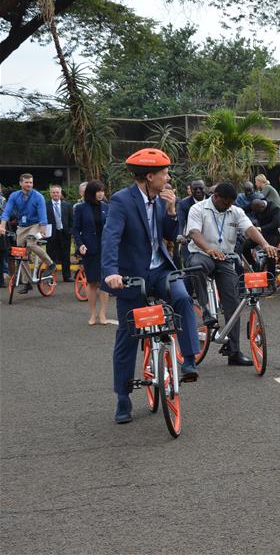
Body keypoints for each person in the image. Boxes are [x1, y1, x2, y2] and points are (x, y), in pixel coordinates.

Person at [101, 148, 201, 424]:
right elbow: (110, 238)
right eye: (164, 173)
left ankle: (189, 360)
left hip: (160, 271)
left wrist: (171, 211)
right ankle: (123, 397)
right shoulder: (122, 201)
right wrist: (111, 272)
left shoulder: (161, 201)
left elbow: (171, 234)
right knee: (128, 336)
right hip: (132, 276)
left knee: (182, 298)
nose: (168, 178)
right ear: (149, 176)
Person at [186, 183, 278, 365]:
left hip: (224, 259)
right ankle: (205, 310)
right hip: (202, 254)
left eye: (231, 204)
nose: (228, 206)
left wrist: (265, 244)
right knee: (196, 267)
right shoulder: (198, 209)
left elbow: (249, 229)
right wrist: (209, 249)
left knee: (234, 303)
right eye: (225, 203)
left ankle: (234, 352)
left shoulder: (235, 211)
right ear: (216, 196)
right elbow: (194, 232)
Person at [0, 173, 53, 294]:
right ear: (21, 183)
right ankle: (27, 282)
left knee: (31, 244)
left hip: (35, 225)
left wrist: (42, 229)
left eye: (31, 182)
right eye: (26, 182)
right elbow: (7, 211)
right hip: (22, 226)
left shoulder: (38, 196)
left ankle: (50, 264)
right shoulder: (14, 196)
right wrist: (2, 225)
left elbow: (43, 215)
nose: (29, 184)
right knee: (21, 254)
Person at [72, 180, 110, 325]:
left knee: (105, 282)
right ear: (91, 192)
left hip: (105, 248)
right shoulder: (81, 208)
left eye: (102, 191)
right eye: (98, 191)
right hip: (89, 248)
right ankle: (93, 314)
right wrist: (80, 244)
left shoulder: (107, 207)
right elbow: (75, 229)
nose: (100, 194)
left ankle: (102, 313)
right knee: (92, 281)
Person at [45, 185, 74, 282]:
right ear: (50, 194)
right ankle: (50, 277)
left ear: (60, 194)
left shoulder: (67, 205)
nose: (55, 194)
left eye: (57, 192)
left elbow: (71, 220)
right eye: (53, 192)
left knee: (65, 256)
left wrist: (70, 231)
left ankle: (67, 276)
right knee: (50, 256)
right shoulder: (46, 205)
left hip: (64, 234)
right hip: (51, 234)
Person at [246, 198, 280, 276]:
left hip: (273, 234)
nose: (256, 213)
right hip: (260, 233)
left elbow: (276, 224)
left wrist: (261, 228)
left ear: (262, 207)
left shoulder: (274, 208)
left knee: (270, 253)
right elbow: (244, 210)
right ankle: (254, 265)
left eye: (258, 212)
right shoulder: (256, 204)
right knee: (245, 246)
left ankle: (270, 277)